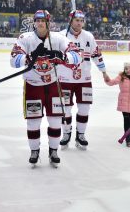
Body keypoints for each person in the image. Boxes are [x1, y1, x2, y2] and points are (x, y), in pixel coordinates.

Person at [10, 10, 80, 167]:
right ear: (34, 22)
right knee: (33, 122)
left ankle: (53, 150)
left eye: (44, 20)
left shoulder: (59, 38)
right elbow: (13, 60)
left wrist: (63, 57)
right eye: (38, 20)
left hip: (53, 85)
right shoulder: (25, 39)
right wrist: (29, 57)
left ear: (49, 22)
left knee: (55, 121)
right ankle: (34, 151)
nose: (40, 23)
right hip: (33, 86)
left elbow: (77, 56)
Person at [57, 10, 109, 150]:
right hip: (64, 79)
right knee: (65, 109)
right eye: (76, 20)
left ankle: (81, 134)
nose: (79, 23)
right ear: (71, 20)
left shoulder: (88, 36)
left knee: (84, 108)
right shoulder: (61, 36)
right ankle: (66, 133)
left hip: (84, 79)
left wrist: (103, 72)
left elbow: (96, 55)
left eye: (81, 21)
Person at [105, 62, 130, 147]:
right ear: (124, 69)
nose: (128, 70)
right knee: (126, 120)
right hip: (123, 100)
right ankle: (128, 138)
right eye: (126, 69)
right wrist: (107, 80)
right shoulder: (121, 77)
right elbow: (113, 82)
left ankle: (127, 136)